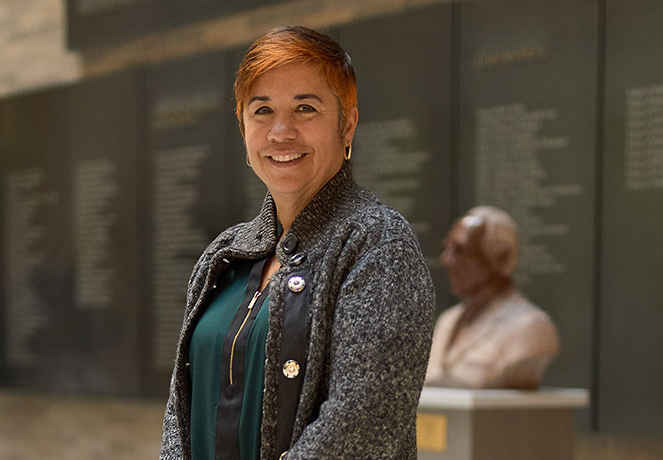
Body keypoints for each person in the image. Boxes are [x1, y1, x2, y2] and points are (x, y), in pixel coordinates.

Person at [160, 25, 435, 460]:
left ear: (348, 124)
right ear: (242, 125)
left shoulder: (378, 245)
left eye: (305, 108)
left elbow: (362, 426)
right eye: (262, 110)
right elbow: (180, 412)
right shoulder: (224, 254)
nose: (281, 132)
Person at [425, 206, 559, 390]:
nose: (446, 260)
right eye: (446, 248)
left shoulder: (531, 328)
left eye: (460, 250)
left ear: (500, 258)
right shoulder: (447, 321)